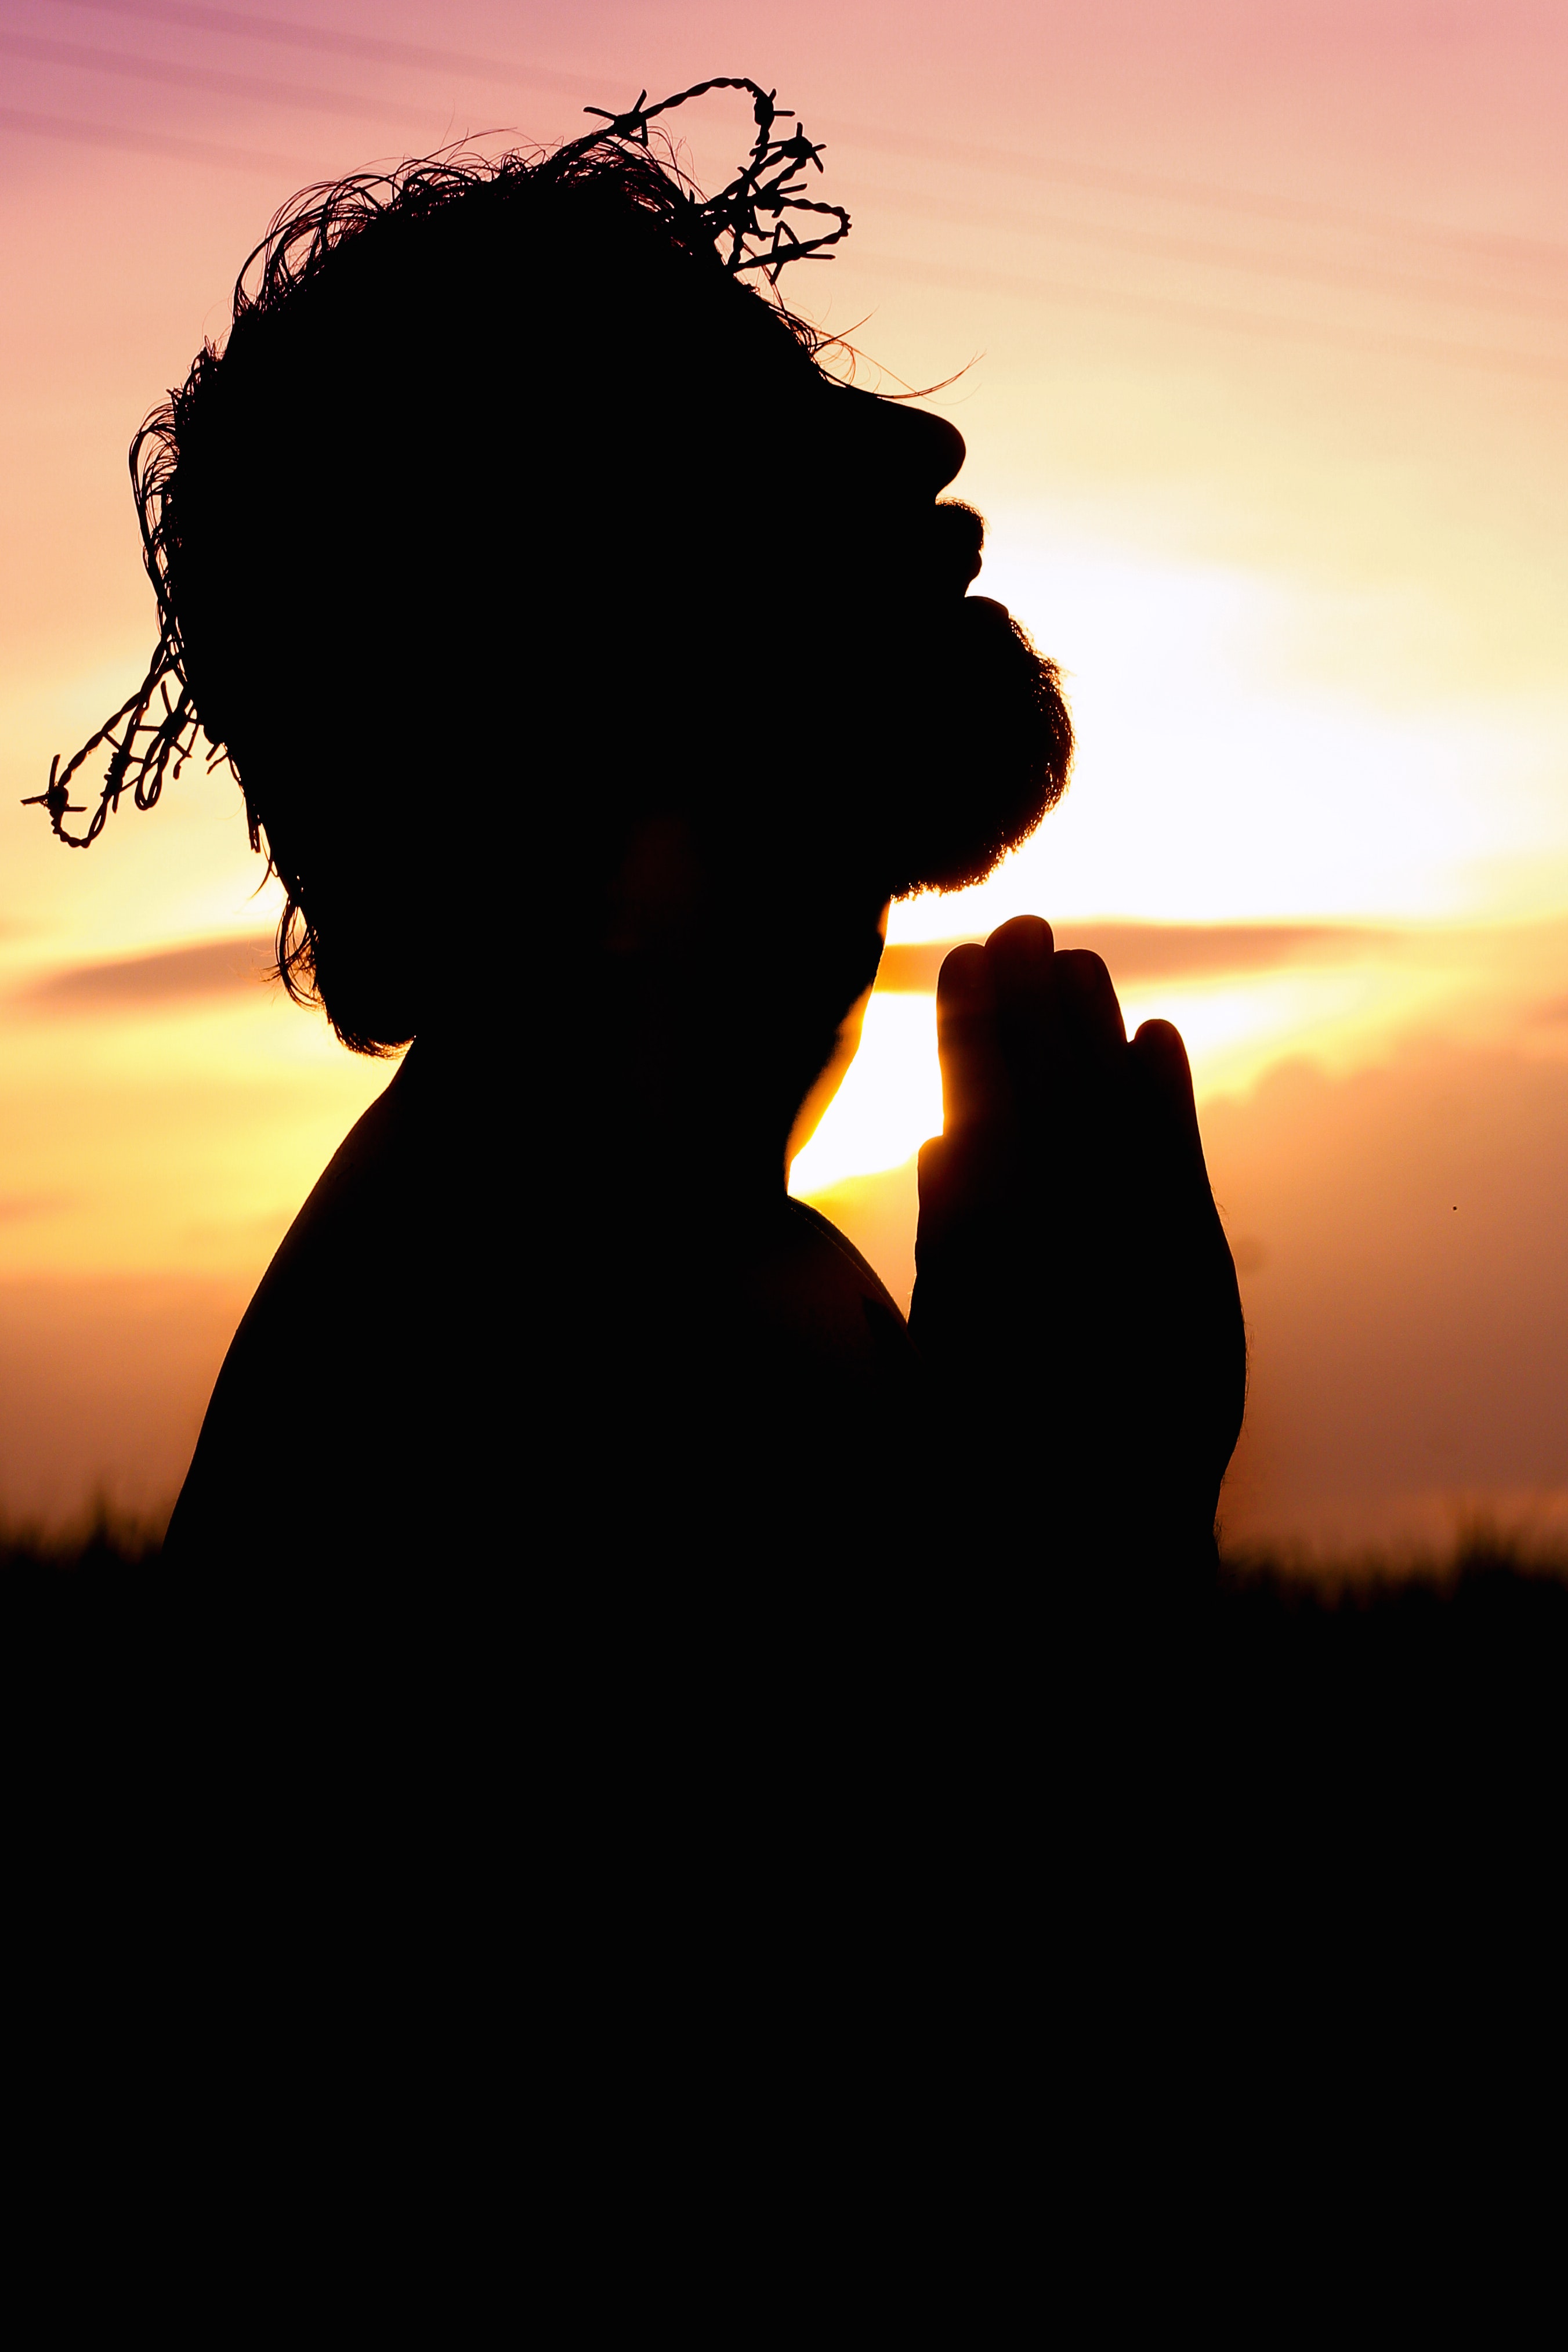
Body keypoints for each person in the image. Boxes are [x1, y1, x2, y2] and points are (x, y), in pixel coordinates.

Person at [39, 95, 1244, 1587]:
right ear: (556, 702)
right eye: (757, 450)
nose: (916, 447)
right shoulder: (531, 1412)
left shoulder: (645, 1270)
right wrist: (1091, 1506)